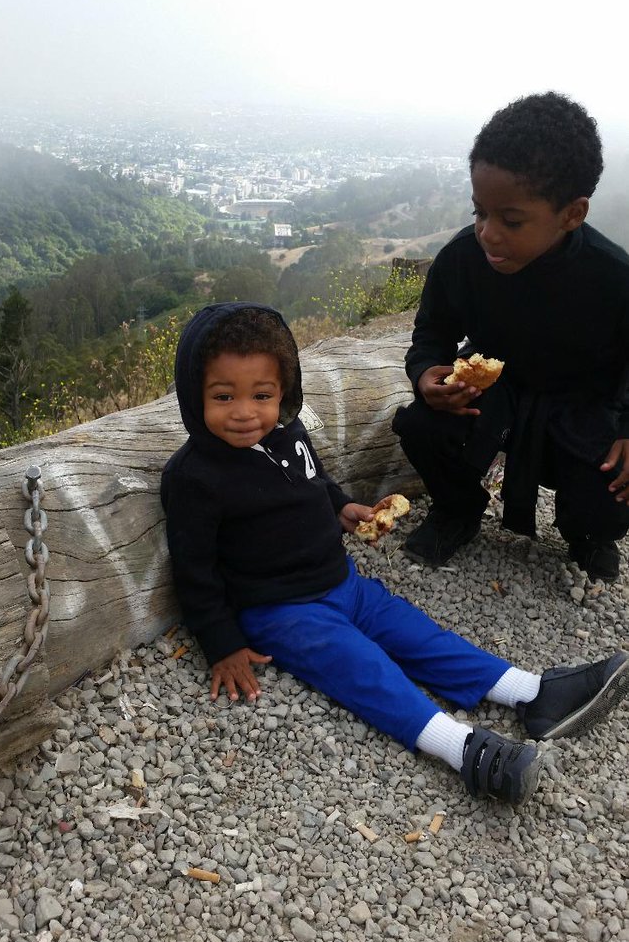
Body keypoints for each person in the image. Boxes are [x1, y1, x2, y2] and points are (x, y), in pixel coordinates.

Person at [160, 302, 629, 809]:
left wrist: (343, 509)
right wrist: (223, 644)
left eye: (262, 395)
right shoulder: (195, 477)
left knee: (420, 635)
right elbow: (195, 570)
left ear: (284, 393)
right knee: (364, 669)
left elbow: (315, 484)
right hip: (281, 612)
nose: (245, 411)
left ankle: (531, 693)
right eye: (223, 396)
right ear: (193, 395)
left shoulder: (287, 434)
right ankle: (465, 751)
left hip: (343, 583)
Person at [393, 92, 629, 581]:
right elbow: (433, 332)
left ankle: (588, 532)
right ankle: (457, 510)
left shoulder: (613, 278)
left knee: (612, 493)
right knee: (421, 426)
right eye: (480, 211)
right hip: (494, 395)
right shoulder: (463, 259)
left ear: (572, 214)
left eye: (511, 220)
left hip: (581, 404)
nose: (487, 233)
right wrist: (425, 375)